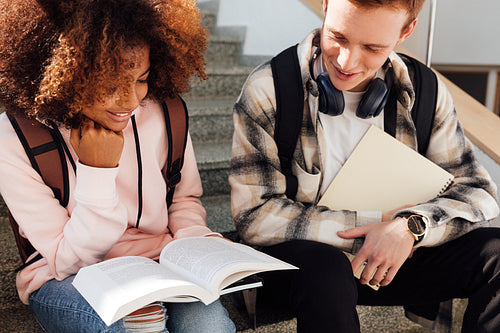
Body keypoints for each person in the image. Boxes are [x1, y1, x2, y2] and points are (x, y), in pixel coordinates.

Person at [229, 0, 500, 332]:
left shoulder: (426, 90)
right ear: (326, 5)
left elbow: (479, 194)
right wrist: (373, 225)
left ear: (406, 31)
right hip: (305, 268)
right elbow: (254, 216)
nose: (346, 61)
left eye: (372, 48)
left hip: (392, 261)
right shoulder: (268, 89)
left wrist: (409, 228)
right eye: (338, 37)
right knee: (326, 269)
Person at [0, 0, 236, 332]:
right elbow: (66, 259)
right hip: (65, 276)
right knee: (134, 322)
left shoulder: (165, 112)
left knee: (210, 326)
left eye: (142, 78)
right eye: (111, 84)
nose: (130, 102)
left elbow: (182, 199)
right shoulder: (16, 137)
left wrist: (198, 242)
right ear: (65, 71)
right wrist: (97, 172)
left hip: (160, 262)